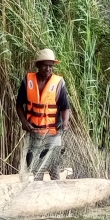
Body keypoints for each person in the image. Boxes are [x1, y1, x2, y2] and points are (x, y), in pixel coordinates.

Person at [16, 48, 71, 180]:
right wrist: (24, 122)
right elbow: (19, 105)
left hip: (53, 133)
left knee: (54, 168)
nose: (48, 69)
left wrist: (64, 123)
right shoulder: (28, 81)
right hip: (34, 133)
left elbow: (65, 108)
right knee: (36, 169)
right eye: (45, 65)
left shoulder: (58, 84)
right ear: (38, 65)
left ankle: (56, 193)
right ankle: (38, 194)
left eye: (50, 66)